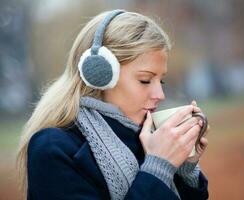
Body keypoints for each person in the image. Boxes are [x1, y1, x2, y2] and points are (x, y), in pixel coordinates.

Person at [17, 9, 209, 200]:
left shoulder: (151, 139)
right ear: (100, 75)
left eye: (161, 81)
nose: (160, 95)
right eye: (145, 80)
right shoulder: (53, 149)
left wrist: (184, 169)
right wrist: (158, 167)